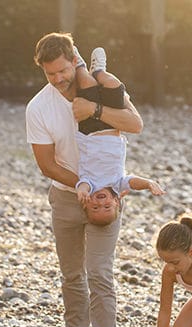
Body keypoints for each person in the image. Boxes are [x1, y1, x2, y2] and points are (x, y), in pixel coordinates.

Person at [26, 32, 143, 327]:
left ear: (74, 59)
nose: (59, 79)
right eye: (51, 74)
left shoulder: (102, 91)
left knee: (100, 273)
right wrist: (82, 183)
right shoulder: (39, 107)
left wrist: (95, 110)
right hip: (66, 196)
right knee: (72, 274)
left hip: (106, 199)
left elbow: (135, 125)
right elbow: (46, 164)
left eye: (63, 70)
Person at [70, 46, 164, 226]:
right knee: (113, 84)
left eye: (95, 208)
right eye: (107, 207)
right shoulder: (118, 184)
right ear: (117, 202)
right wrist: (148, 183)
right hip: (113, 126)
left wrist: (81, 192)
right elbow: (133, 182)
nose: (100, 204)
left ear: (87, 202)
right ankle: (99, 70)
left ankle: (79, 65)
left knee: (86, 83)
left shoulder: (90, 184)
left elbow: (82, 185)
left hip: (89, 131)